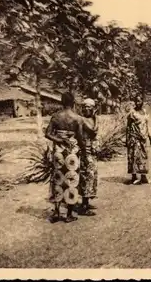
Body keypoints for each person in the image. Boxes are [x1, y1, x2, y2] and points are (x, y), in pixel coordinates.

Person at [45, 92, 86, 223]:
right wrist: (84, 150)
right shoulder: (78, 118)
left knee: (57, 179)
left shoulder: (56, 116)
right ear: (73, 102)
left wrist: (59, 140)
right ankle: (68, 214)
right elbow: (80, 137)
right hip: (72, 152)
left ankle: (56, 212)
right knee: (72, 179)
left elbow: (48, 134)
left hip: (58, 151)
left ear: (62, 102)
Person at [77, 98, 99, 216]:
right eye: (84, 106)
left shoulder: (92, 119)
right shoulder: (82, 120)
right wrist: (96, 117)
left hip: (92, 150)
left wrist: (95, 117)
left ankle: (86, 201)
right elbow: (93, 131)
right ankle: (84, 206)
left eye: (89, 107)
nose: (86, 109)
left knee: (92, 175)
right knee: (87, 175)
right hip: (86, 150)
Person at [126, 98, 151, 185]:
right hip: (134, 137)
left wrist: (150, 137)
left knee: (143, 156)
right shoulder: (132, 113)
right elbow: (128, 126)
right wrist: (127, 139)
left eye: (139, 101)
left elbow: (146, 124)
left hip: (143, 137)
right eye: (136, 101)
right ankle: (134, 177)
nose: (138, 103)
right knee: (134, 156)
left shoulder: (144, 111)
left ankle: (143, 177)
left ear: (142, 102)